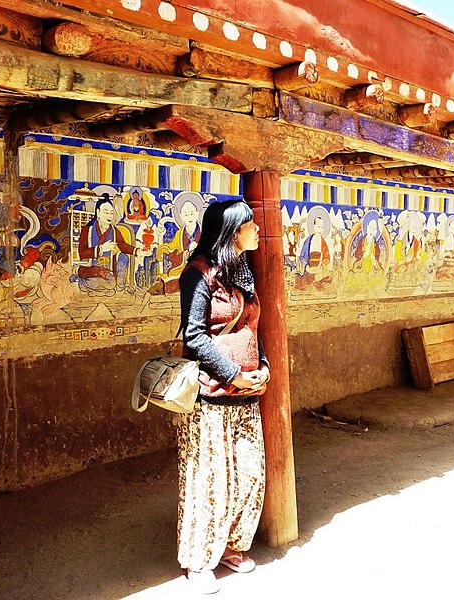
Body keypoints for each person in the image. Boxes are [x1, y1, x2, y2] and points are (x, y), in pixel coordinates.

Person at [177, 200, 270, 595]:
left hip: (246, 393)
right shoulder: (198, 275)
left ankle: (231, 545)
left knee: (248, 474)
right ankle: (199, 561)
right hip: (211, 396)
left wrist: (261, 366)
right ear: (232, 231)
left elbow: (250, 326)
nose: (257, 230)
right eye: (251, 224)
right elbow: (194, 335)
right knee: (210, 480)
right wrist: (234, 375)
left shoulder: (241, 272)